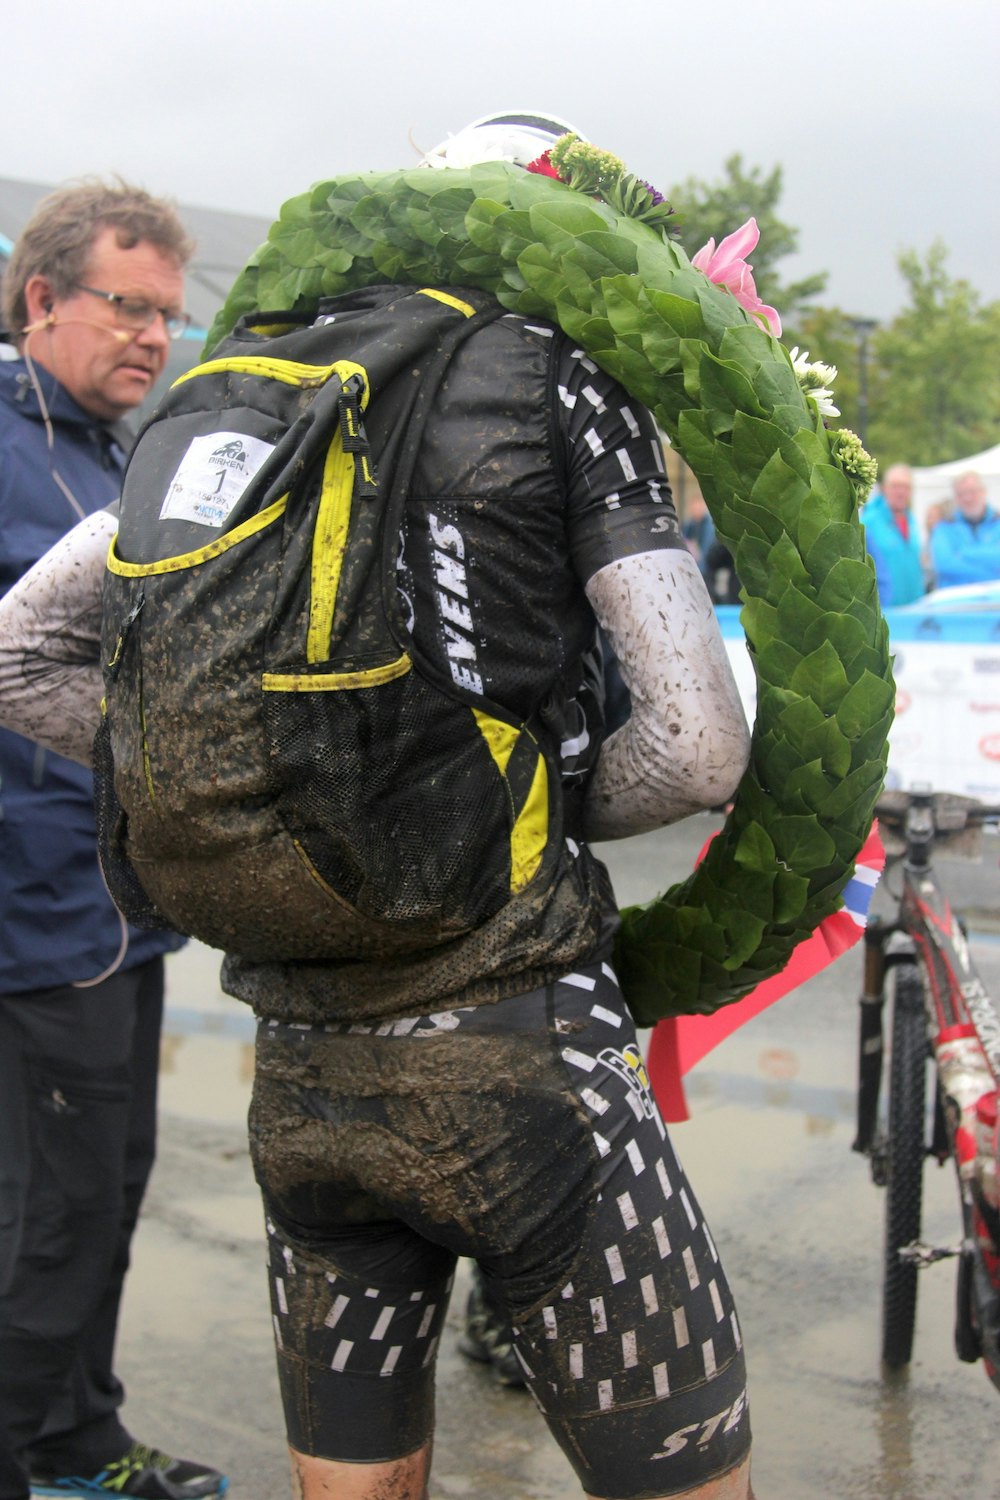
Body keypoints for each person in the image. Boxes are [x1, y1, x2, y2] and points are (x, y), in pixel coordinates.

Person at [0, 119, 755, 1500]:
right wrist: (489, 795)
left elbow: (14, 655)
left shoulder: (234, 388)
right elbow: (702, 747)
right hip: (523, 1054)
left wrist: (280, 777)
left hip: (301, 1071)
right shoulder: (554, 373)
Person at [0, 181, 227, 1500]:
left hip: (120, 902)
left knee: (113, 1181)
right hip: (34, 905)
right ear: (43, 299)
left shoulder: (111, 450)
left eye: (168, 314)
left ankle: (79, 1434)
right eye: (128, 305)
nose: (153, 334)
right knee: (58, 1209)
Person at [860, 462, 925, 606]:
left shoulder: (912, 521)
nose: (901, 492)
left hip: (915, 608)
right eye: (895, 486)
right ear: (884, 489)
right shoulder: (868, 522)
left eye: (906, 487)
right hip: (885, 612)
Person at [929, 470, 1000, 589]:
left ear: (984, 492)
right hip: (957, 603)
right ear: (955, 498)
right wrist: (989, 575)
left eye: (972, 492)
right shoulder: (943, 528)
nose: (968, 498)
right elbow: (943, 564)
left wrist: (964, 553)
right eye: (961, 494)